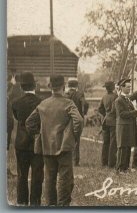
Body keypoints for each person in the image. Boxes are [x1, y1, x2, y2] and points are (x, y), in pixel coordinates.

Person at [24, 75, 83, 206]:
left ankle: (50, 205)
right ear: (64, 87)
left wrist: (39, 134)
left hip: (46, 147)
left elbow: (29, 123)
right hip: (64, 147)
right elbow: (78, 120)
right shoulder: (68, 103)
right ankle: (62, 205)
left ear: (50, 87)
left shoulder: (43, 104)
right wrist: (74, 135)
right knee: (65, 178)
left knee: (49, 178)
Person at [12, 72, 43, 206]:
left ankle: (21, 202)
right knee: (37, 175)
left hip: (21, 144)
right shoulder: (41, 102)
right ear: (35, 85)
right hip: (37, 143)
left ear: (21, 87)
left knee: (22, 175)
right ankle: (35, 202)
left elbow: (18, 119)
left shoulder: (16, 103)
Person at [113, 78, 137, 173]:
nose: (129, 89)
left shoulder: (127, 99)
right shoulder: (119, 100)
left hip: (128, 126)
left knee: (127, 146)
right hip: (123, 126)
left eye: (130, 87)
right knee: (122, 147)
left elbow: (129, 112)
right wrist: (135, 112)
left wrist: (136, 112)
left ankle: (126, 167)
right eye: (127, 87)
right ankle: (120, 168)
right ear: (122, 88)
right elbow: (122, 114)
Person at [63, 78, 87, 166]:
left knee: (66, 139)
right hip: (77, 119)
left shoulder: (65, 95)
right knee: (77, 140)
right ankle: (75, 161)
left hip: (66, 120)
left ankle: (66, 159)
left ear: (69, 86)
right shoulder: (80, 94)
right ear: (77, 86)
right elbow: (85, 105)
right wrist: (83, 114)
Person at [97, 80, 117, 168]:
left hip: (105, 121)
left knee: (106, 142)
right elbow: (117, 109)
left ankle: (104, 161)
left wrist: (106, 114)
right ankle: (111, 163)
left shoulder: (104, 97)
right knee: (113, 142)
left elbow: (100, 109)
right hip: (113, 121)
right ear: (113, 88)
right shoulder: (116, 96)